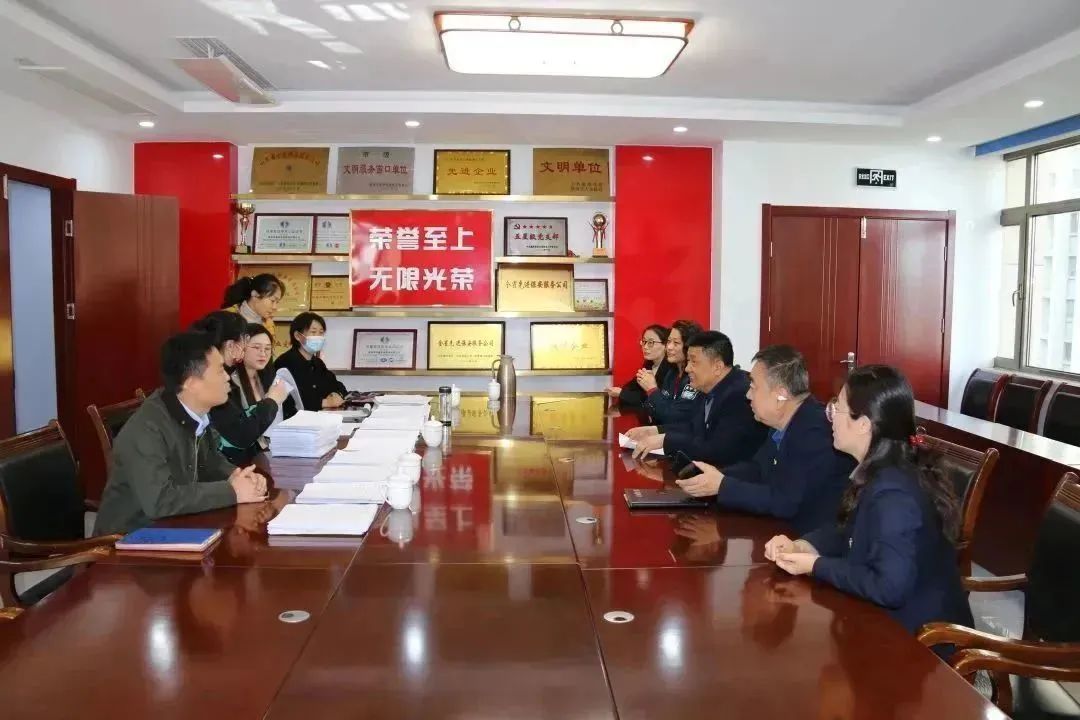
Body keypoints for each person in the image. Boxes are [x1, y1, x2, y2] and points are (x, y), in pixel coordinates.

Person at [765, 365, 974, 639]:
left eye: (837, 409)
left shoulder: (894, 493)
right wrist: (803, 546)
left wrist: (816, 565)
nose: (830, 417)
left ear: (864, 424)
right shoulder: (879, 468)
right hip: (883, 622)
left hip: (922, 642)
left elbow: (889, 587)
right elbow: (851, 532)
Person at [94, 332, 267, 535]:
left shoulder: (193, 412)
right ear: (192, 383)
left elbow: (211, 462)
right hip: (127, 540)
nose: (228, 377)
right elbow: (160, 500)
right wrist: (232, 492)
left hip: (176, 526)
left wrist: (238, 476)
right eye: (220, 370)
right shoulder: (147, 428)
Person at [677, 344, 853, 535]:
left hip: (808, 539)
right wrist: (714, 476)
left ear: (780, 395)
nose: (748, 395)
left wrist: (722, 486)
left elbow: (785, 502)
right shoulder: (782, 422)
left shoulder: (815, 432)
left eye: (753, 387)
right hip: (781, 531)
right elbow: (759, 469)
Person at [629, 331, 766, 467]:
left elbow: (717, 449)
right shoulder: (707, 385)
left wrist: (665, 440)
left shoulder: (739, 395)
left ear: (717, 367)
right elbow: (693, 426)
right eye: (688, 361)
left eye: (694, 362)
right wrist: (655, 430)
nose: (687, 369)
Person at [191, 312, 291, 464]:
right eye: (245, 341)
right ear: (230, 345)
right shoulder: (212, 381)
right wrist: (271, 401)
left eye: (267, 348)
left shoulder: (265, 376)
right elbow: (240, 433)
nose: (226, 378)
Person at [228, 323, 297, 464]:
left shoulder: (269, 378)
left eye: (267, 348)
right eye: (256, 347)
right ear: (241, 348)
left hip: (269, 452)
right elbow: (241, 431)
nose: (263, 353)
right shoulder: (230, 383)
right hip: (241, 458)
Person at [274, 311, 348, 410]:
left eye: (321, 333)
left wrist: (336, 394)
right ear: (297, 336)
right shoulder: (284, 363)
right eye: (313, 332)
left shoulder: (318, 363)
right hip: (295, 418)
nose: (318, 337)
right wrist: (323, 402)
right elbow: (287, 400)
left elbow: (338, 386)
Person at [641, 319, 702, 425]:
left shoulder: (695, 378)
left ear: (689, 347)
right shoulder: (671, 373)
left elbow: (676, 417)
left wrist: (652, 390)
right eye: (668, 341)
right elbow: (655, 410)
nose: (669, 347)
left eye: (676, 343)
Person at [605, 324, 674, 407]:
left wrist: (622, 393)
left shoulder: (671, 369)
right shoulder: (649, 364)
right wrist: (622, 392)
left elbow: (650, 399)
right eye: (644, 341)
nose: (645, 347)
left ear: (665, 345)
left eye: (650, 343)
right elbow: (631, 387)